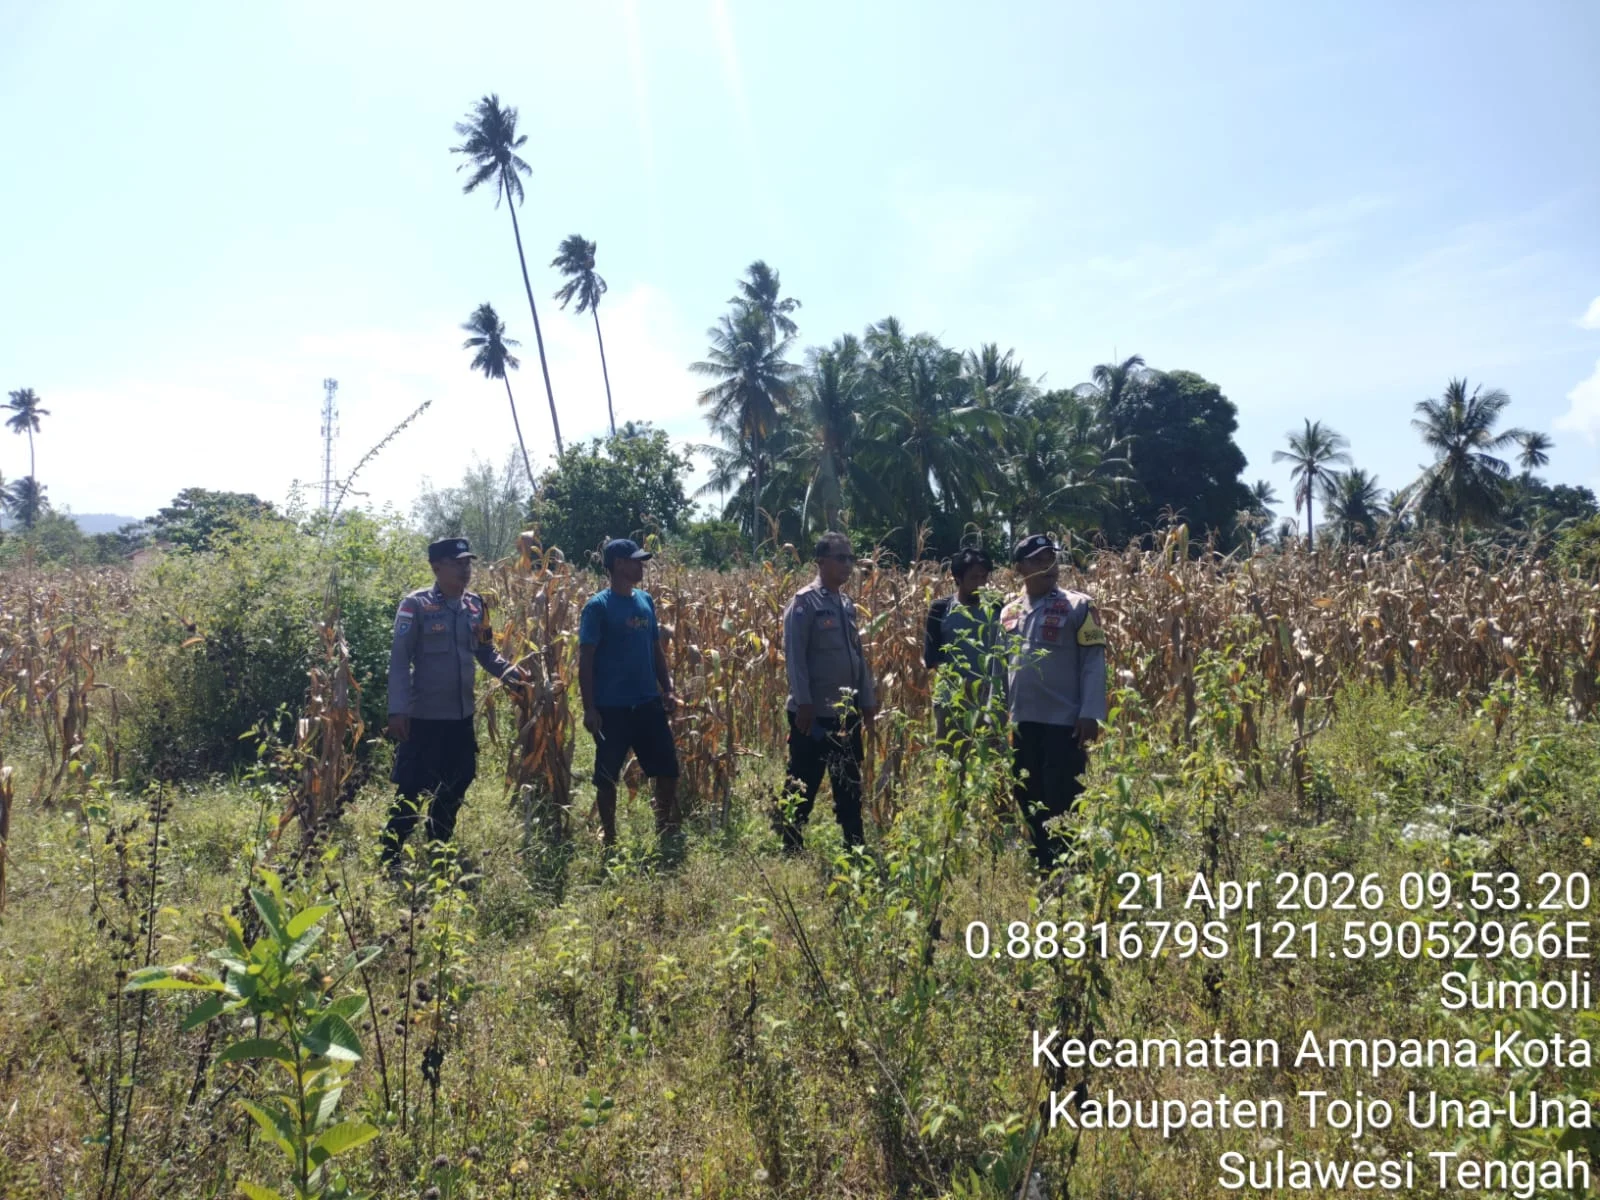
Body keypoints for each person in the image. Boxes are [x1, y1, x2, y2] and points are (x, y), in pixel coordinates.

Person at [383, 536, 527, 870]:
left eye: (468, 563)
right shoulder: (415, 606)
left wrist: (513, 675)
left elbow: (486, 652)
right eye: (457, 563)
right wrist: (397, 710)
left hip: (460, 716)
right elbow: (399, 660)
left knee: (460, 777)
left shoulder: (476, 606)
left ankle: (439, 843)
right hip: (424, 717)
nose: (465, 569)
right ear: (436, 567)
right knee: (412, 787)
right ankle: (390, 854)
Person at [999, 534, 1108, 874]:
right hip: (1022, 722)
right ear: (1020, 567)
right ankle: (1044, 864)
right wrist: (995, 714)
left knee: (1063, 795)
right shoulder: (1009, 611)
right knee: (1028, 793)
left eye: (1051, 558)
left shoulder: (1079, 606)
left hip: (1064, 721)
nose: (1049, 566)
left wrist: (1091, 713)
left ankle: (1071, 868)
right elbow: (1000, 667)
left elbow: (1093, 662)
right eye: (1038, 560)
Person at [578, 538, 682, 851]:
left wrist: (668, 689)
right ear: (619, 564)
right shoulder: (598, 607)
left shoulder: (645, 601)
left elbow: (656, 649)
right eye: (636, 561)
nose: (642, 566)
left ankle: (663, 828)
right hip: (612, 709)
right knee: (606, 777)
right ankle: (610, 839)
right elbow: (586, 661)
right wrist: (589, 708)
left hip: (648, 703)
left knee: (668, 770)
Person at [777, 531, 878, 853]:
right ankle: (790, 841)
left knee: (849, 780)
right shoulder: (804, 603)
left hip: (845, 713)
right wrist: (804, 702)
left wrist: (867, 701)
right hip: (813, 713)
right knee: (804, 778)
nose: (848, 565)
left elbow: (857, 656)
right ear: (821, 561)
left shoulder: (846, 605)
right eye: (840, 558)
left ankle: (854, 844)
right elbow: (795, 657)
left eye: (851, 558)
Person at [923, 546, 1003, 742]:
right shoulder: (940, 609)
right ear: (958, 578)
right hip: (952, 697)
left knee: (991, 752)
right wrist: (961, 685)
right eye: (974, 578)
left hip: (989, 697)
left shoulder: (997, 607)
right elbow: (932, 657)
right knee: (951, 751)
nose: (980, 583)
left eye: (984, 577)